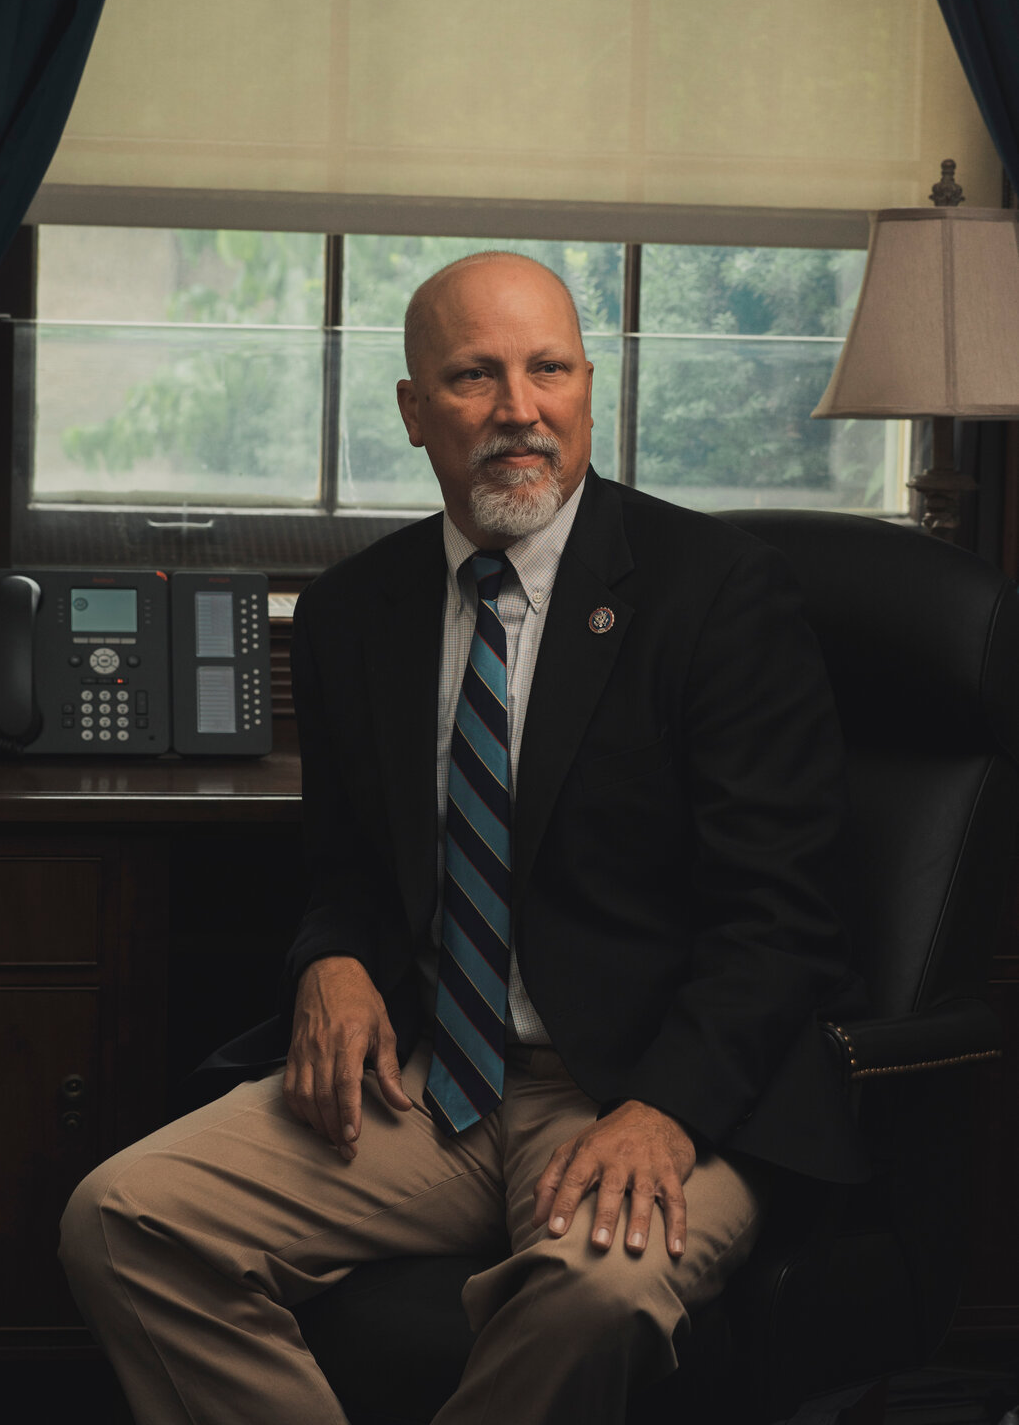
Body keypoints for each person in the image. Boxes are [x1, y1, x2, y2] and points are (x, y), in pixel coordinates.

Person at [59, 251, 866, 1425]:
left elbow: (784, 916)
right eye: (475, 376)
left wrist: (666, 1109)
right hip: (429, 1086)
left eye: (549, 369)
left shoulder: (718, 594)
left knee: (601, 1293)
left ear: (591, 386)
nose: (519, 409)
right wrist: (328, 962)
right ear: (413, 409)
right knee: (123, 1218)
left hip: (641, 1083)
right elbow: (347, 871)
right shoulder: (350, 612)